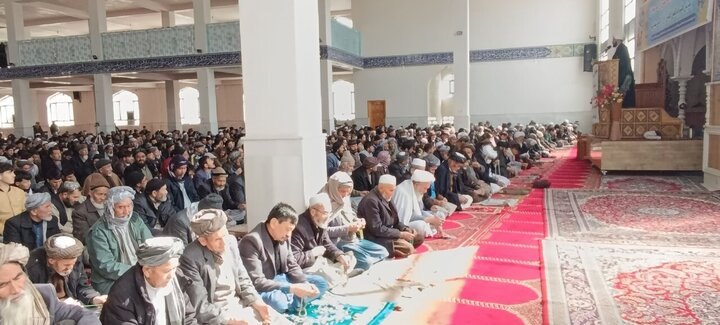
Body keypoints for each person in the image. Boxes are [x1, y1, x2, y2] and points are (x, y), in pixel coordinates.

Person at [180, 209, 283, 324]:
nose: (224, 243)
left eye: (225, 234)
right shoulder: (190, 258)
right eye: (218, 239)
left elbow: (243, 279)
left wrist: (257, 302)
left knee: (278, 320)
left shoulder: (231, 242)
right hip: (218, 316)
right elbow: (201, 307)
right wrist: (230, 320)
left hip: (240, 304)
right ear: (203, 240)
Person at [239, 203, 328, 314]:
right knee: (278, 303)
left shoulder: (284, 235)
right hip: (266, 286)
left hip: (283, 279)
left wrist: (304, 283)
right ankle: (295, 301)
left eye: (291, 230)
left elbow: (292, 264)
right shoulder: (251, 241)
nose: (289, 235)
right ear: (274, 223)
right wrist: (291, 288)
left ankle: (292, 301)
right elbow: (257, 282)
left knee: (321, 283)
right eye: (287, 229)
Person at [101, 237, 197, 324]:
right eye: (167, 271)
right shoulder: (121, 296)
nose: (172, 276)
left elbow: (188, 317)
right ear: (147, 270)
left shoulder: (177, 280)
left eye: (175, 268)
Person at [0, 242, 100, 325]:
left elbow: (81, 313)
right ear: (51, 261)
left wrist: (93, 297)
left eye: (18, 277)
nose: (16, 289)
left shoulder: (44, 294)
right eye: (2, 285)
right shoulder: (35, 269)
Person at [86, 186, 153, 294]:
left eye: (129, 206)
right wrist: (137, 272)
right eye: (121, 207)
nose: (126, 211)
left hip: (141, 272)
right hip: (111, 280)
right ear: (110, 207)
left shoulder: (135, 220)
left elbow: (150, 245)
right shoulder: (98, 231)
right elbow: (105, 265)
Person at [320, 172, 388, 271]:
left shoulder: (345, 198)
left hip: (351, 239)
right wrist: (347, 228)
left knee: (383, 252)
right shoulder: (323, 204)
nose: (345, 195)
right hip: (336, 243)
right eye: (342, 191)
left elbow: (350, 215)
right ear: (334, 188)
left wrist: (358, 221)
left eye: (348, 192)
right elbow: (322, 233)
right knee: (366, 263)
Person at [290, 193, 356, 287]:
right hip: (306, 267)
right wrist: (312, 253)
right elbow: (294, 259)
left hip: (320, 261)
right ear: (313, 212)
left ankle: (339, 274)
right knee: (327, 279)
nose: (328, 217)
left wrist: (339, 255)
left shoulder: (320, 222)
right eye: (325, 213)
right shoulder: (299, 228)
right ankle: (340, 275)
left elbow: (327, 243)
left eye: (329, 213)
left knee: (349, 257)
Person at [26, 234, 107, 306]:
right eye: (66, 265)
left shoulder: (76, 261)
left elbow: (82, 286)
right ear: (51, 261)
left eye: (73, 263)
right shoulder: (33, 268)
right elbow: (31, 298)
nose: (71, 267)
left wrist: (93, 298)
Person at [357, 175, 424, 258]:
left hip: (389, 233)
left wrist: (405, 229)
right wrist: (400, 234)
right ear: (381, 188)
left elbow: (396, 221)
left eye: (393, 190)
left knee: (419, 237)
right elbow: (377, 229)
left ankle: (400, 246)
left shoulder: (387, 196)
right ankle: (395, 249)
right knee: (408, 248)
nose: (393, 193)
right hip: (376, 238)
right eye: (391, 190)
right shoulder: (371, 201)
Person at [392, 169, 450, 238]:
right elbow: (403, 219)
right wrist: (428, 219)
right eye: (425, 188)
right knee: (420, 225)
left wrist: (432, 218)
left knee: (439, 215)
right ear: (417, 184)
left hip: (414, 220)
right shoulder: (403, 193)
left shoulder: (415, 190)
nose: (425, 191)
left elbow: (419, 211)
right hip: (401, 226)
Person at [73, 173, 110, 244]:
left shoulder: (109, 206)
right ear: (90, 193)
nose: (103, 198)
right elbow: (83, 237)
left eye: (105, 194)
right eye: (99, 194)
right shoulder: (80, 212)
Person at [0, 162, 26, 236]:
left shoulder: (19, 192)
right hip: (3, 234)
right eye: (10, 172)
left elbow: (25, 211)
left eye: (13, 172)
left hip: (23, 231)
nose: (14, 175)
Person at [611, 36, 636, 108]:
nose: (612, 42)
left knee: (626, 104)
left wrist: (621, 84)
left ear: (617, 39)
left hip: (624, 81)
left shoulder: (623, 49)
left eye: (613, 39)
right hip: (621, 79)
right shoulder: (619, 49)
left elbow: (623, 66)